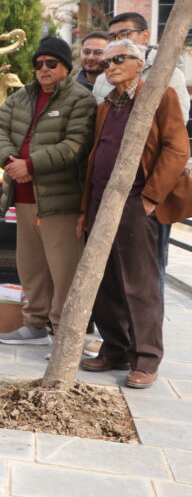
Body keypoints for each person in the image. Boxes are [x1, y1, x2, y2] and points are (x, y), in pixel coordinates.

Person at [79, 40, 189, 389]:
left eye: (118, 59)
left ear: (139, 63)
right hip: (100, 202)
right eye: (106, 62)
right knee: (104, 280)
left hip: (136, 202)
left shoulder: (159, 97)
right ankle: (115, 348)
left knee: (139, 284)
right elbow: (95, 158)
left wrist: (151, 198)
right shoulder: (105, 106)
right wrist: (85, 209)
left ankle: (146, 358)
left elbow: (177, 148)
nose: (109, 66)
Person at [0, 36, 97, 347]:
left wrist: (31, 165)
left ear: (66, 67)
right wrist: (11, 161)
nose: (43, 69)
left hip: (60, 200)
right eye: (38, 64)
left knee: (64, 271)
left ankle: (65, 336)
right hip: (23, 197)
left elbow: (75, 145)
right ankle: (35, 325)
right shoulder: (21, 96)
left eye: (51, 63)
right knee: (31, 266)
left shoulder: (80, 99)